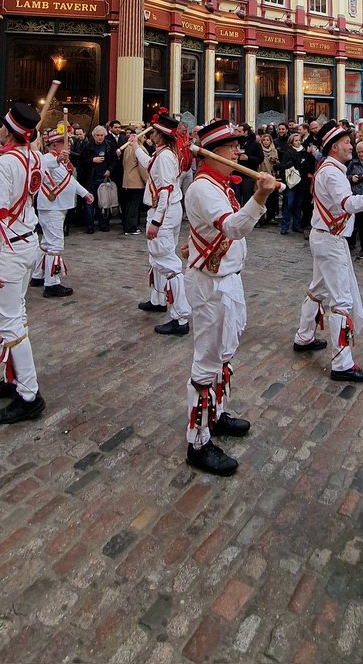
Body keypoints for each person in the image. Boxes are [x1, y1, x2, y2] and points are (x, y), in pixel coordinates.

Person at [183, 120, 279, 476]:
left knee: (225, 351)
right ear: (212, 153)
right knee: (207, 361)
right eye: (232, 147)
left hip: (227, 279)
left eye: (239, 145)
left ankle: (216, 416)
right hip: (212, 285)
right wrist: (261, 196)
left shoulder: (219, 184)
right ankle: (197, 441)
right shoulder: (204, 188)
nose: (239, 151)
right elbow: (233, 227)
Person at [292, 122, 363, 380]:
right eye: (347, 143)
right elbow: (347, 204)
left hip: (325, 237)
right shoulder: (333, 173)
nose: (351, 146)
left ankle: (303, 337)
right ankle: (342, 363)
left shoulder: (332, 169)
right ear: (335, 147)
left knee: (318, 290)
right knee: (341, 301)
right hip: (330, 241)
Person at [0, 103, 47, 424]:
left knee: (10, 323)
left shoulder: (3, 165)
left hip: (9, 248)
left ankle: (29, 394)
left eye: (2, 126)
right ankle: (12, 378)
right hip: (28, 242)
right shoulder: (35, 158)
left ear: (8, 130)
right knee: (16, 314)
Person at [135, 112, 191, 334]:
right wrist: (135, 147)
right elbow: (150, 164)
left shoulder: (166, 156)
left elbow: (166, 190)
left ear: (162, 135)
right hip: (168, 210)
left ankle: (180, 317)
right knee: (157, 257)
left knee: (166, 260)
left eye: (155, 132)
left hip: (164, 212)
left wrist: (156, 221)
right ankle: (158, 299)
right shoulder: (163, 154)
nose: (152, 134)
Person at [33, 130, 93, 297]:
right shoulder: (47, 158)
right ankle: (52, 283)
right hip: (52, 208)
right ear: (55, 145)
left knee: (46, 243)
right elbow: (46, 164)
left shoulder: (62, 162)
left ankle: (38, 276)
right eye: (64, 143)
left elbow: (70, 181)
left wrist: (85, 193)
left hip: (57, 207)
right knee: (55, 244)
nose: (68, 146)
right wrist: (58, 158)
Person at [278, 132, 311, 234]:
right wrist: (295, 161)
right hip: (291, 183)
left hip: (302, 182)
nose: (298, 142)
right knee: (289, 204)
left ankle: (296, 226)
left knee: (298, 205)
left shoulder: (305, 152)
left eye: (299, 140)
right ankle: (284, 226)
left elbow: (308, 166)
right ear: (292, 142)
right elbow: (283, 167)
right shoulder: (288, 152)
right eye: (296, 140)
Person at [119, 127, 146, 235]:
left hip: (128, 179)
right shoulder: (138, 149)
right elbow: (142, 167)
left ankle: (128, 226)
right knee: (133, 206)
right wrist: (147, 180)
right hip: (136, 181)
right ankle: (131, 227)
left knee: (130, 205)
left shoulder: (127, 147)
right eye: (143, 136)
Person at [256, 132, 280, 225]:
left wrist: (275, 161)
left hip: (272, 175)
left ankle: (271, 216)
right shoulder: (259, 150)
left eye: (267, 140)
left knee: (272, 198)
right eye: (264, 140)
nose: (266, 142)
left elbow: (278, 163)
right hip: (261, 173)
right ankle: (261, 218)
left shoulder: (274, 150)